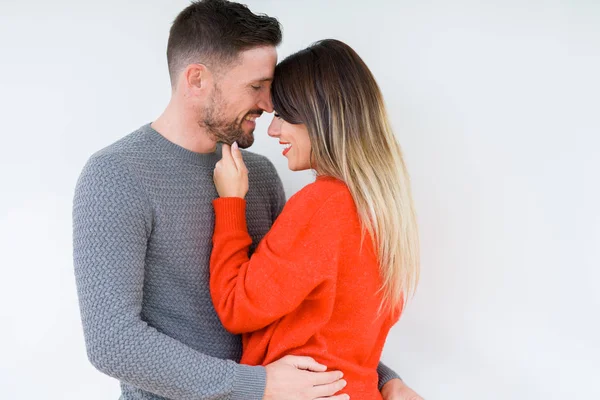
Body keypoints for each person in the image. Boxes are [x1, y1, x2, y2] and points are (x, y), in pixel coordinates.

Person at [72, 1, 421, 399]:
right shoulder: (116, 176)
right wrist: (258, 385)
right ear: (197, 80)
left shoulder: (260, 176)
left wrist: (382, 378)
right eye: (256, 87)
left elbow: (299, 310)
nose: (270, 105)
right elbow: (113, 343)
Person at [210, 39, 421, 399]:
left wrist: (230, 203)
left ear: (319, 117)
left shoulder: (324, 204)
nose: (272, 131)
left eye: (282, 115)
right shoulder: (383, 208)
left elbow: (236, 306)